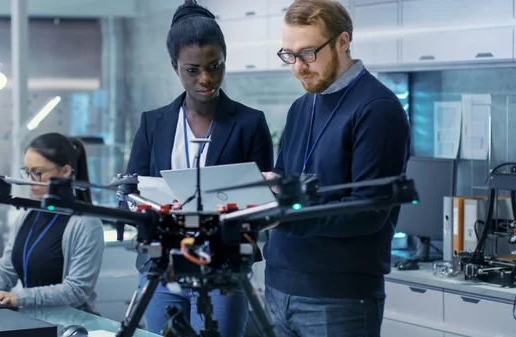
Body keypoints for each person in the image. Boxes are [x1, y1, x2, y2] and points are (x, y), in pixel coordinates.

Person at [261, 0, 411, 336]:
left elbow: (369, 211)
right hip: (278, 286)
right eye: (289, 55)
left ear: (342, 41)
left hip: (338, 297)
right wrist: (272, 186)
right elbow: (292, 181)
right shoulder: (301, 107)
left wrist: (287, 215)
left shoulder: (378, 109)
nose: (298, 67)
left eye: (308, 53)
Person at [126, 0, 274, 335]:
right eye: (193, 70)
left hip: (223, 269)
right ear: (174, 66)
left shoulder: (251, 124)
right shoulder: (153, 124)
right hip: (162, 270)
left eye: (215, 65)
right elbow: (130, 192)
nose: (206, 78)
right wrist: (156, 209)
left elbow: (264, 205)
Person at [0, 132, 105, 315]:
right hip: (32, 320)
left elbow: (76, 291)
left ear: (65, 171)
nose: (29, 181)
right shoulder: (27, 216)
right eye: (27, 172)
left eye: (38, 173)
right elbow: (5, 271)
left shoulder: (86, 224)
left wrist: (17, 297)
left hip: (69, 326)